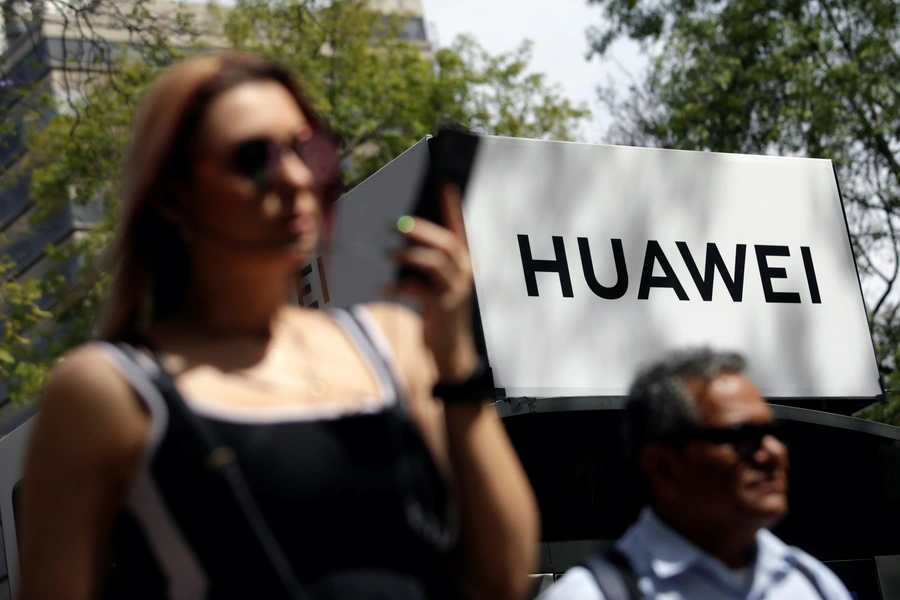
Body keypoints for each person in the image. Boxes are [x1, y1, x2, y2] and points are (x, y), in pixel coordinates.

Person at [18, 51, 539, 600]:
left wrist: (455, 359)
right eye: (253, 158)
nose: (295, 178)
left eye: (309, 148)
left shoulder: (392, 343)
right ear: (172, 195)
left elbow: (502, 577)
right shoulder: (108, 390)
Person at [537, 348, 852, 600]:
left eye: (773, 432)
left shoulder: (813, 583)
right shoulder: (591, 593)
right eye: (742, 435)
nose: (773, 452)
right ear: (663, 467)